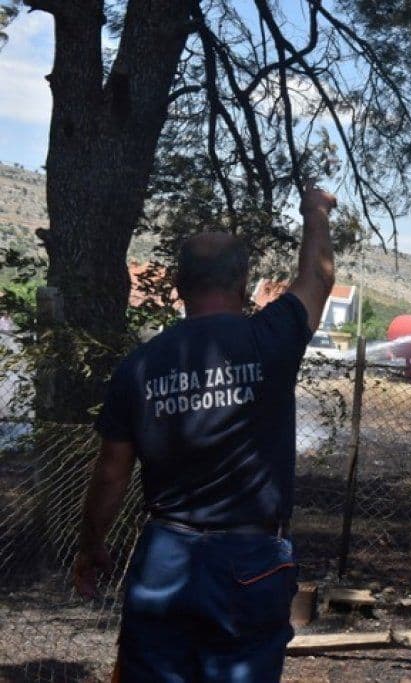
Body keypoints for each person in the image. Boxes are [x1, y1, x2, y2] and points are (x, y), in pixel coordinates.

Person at [72, 181, 337, 682]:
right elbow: (317, 280)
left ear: (178, 284)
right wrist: (315, 211)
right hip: (251, 563)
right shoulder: (271, 338)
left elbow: (111, 473)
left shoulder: (140, 366)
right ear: (243, 283)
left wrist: (91, 545)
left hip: (164, 558)